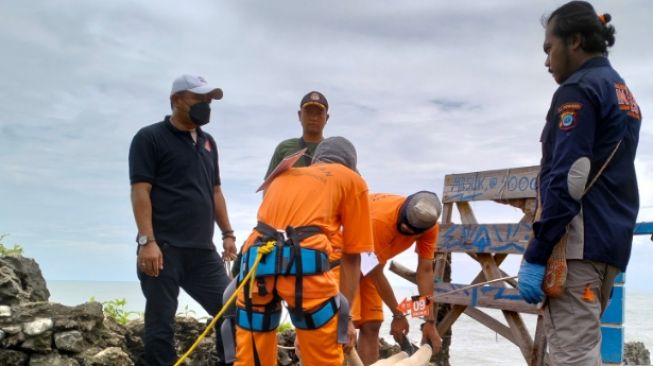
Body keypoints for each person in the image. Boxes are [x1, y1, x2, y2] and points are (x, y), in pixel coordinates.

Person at [517, 2, 641, 365]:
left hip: (577, 249)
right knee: (585, 350)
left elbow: (570, 178)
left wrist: (537, 253)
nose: (546, 61)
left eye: (548, 48)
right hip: (611, 248)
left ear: (574, 41)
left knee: (572, 357)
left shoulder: (577, 90)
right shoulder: (622, 92)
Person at [234, 137, 374, 366]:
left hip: (256, 267)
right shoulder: (353, 181)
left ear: (316, 159)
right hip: (305, 272)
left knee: (251, 359)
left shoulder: (282, 177)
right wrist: (345, 318)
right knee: (323, 360)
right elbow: (351, 256)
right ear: (351, 165)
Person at [129, 74, 238, 366]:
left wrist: (227, 233)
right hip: (163, 248)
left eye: (209, 100)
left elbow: (215, 191)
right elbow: (140, 190)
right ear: (176, 100)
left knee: (233, 310)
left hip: (202, 251)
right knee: (160, 325)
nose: (205, 105)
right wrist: (146, 241)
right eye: (199, 99)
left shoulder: (208, 143)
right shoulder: (149, 137)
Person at [354, 192, 444, 365]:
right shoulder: (379, 222)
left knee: (371, 324)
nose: (406, 230)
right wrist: (398, 314)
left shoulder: (430, 228)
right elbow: (376, 272)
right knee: (341, 328)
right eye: (403, 226)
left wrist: (429, 322)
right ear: (404, 208)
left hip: (371, 267)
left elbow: (424, 272)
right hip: (342, 262)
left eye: (412, 232)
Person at [264, 91, 329, 178]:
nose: (314, 117)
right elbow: (269, 185)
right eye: (309, 112)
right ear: (299, 115)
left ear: (327, 118)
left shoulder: (335, 151)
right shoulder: (283, 148)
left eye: (319, 113)